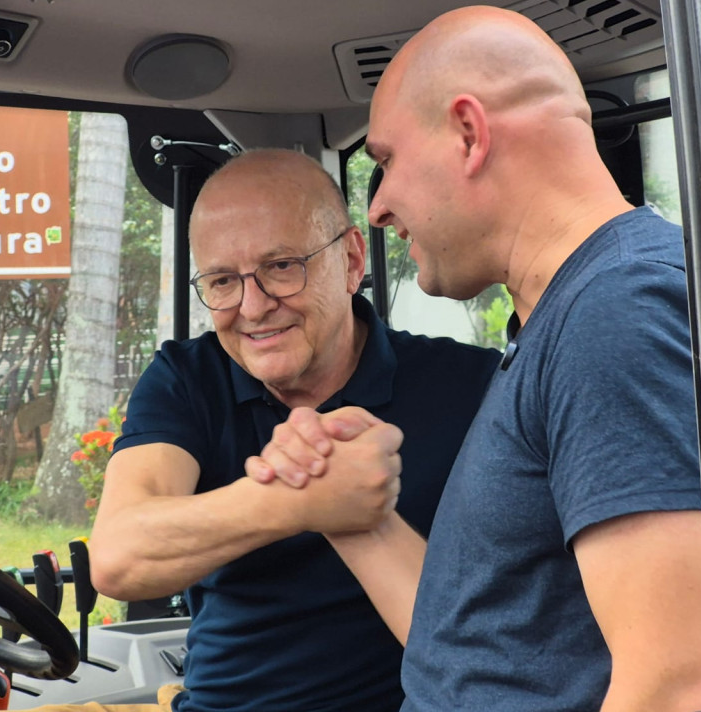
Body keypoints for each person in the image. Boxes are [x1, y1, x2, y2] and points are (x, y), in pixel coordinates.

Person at [248, 6, 701, 711]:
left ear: (469, 134)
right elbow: (494, 649)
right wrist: (348, 506)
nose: (376, 208)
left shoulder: (616, 313)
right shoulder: (577, 312)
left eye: (386, 162)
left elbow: (680, 687)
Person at [80, 148, 500, 712]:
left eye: (281, 267)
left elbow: (507, 633)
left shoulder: (471, 387)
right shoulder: (189, 377)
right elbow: (117, 558)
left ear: (351, 260)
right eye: (223, 281)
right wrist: (300, 501)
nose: (253, 307)